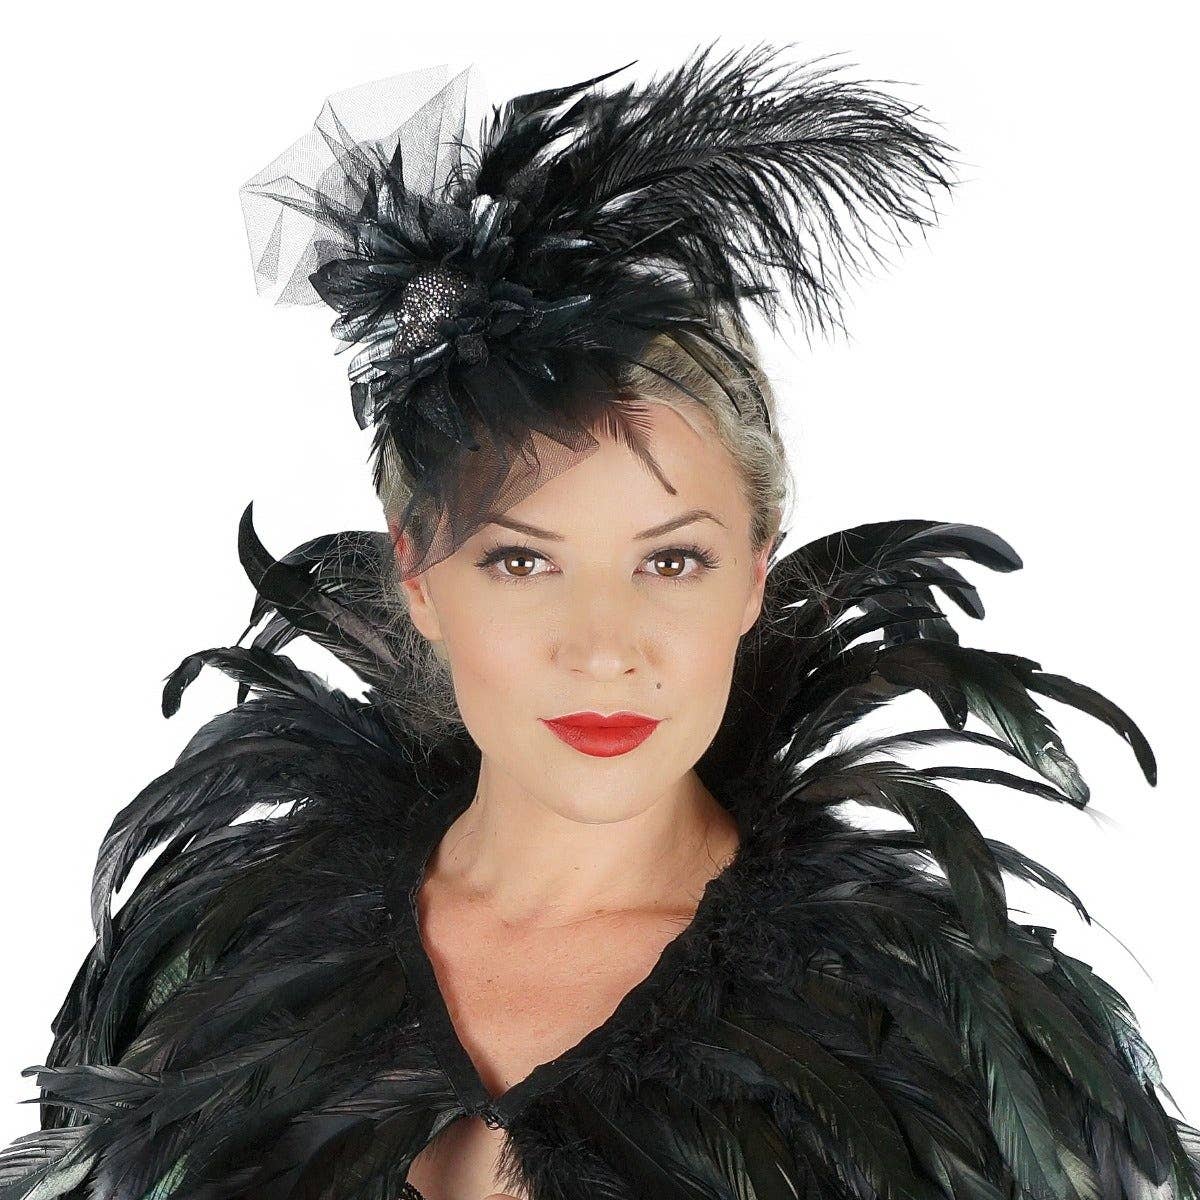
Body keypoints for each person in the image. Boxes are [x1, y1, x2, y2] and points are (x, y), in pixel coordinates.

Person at [0, 41, 1196, 1200]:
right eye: (522, 561)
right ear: (416, 575)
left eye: (671, 560)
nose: (606, 647)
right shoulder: (223, 957)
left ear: (754, 576)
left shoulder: (927, 1022)